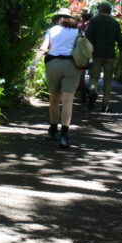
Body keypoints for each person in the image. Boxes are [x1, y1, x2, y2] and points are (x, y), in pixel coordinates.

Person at [31, 9, 81, 147]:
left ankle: (53, 129)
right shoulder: (78, 31)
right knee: (67, 101)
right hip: (72, 65)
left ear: (58, 18)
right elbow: (83, 49)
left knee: (54, 99)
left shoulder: (52, 30)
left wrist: (33, 66)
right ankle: (64, 136)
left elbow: (43, 49)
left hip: (53, 64)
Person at [84, 1, 122, 112]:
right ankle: (105, 104)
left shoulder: (94, 20)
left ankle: (93, 90)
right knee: (108, 80)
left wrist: (87, 52)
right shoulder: (115, 23)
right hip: (110, 55)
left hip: (96, 54)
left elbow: (87, 37)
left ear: (101, 9)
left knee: (94, 78)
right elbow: (120, 41)